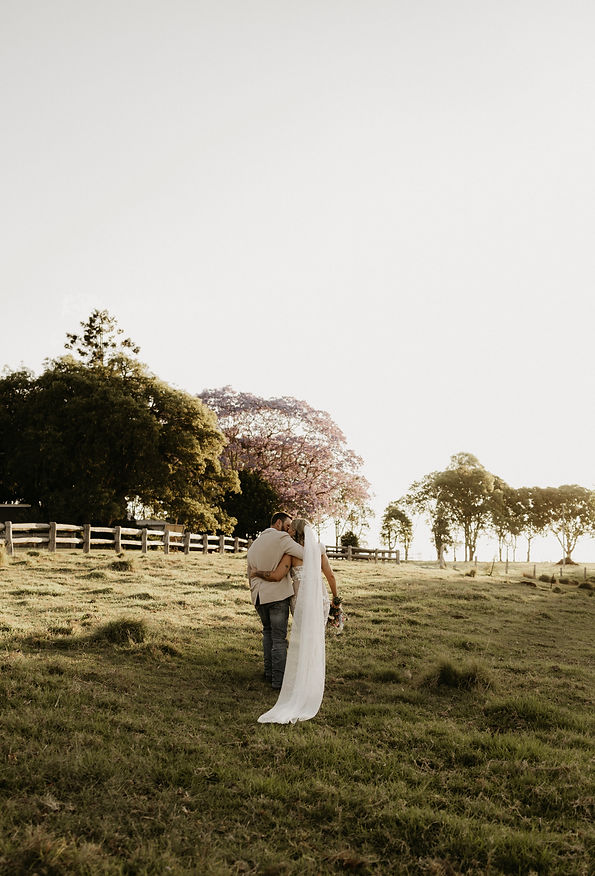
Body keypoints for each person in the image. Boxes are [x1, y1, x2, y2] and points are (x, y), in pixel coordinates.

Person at [250, 518, 339, 724]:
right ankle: (315, 680)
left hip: (299, 602)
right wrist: (336, 599)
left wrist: (257, 573)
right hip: (320, 599)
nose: (288, 530)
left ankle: (300, 680)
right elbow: (331, 576)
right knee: (316, 639)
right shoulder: (319, 550)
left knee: (303, 640)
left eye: (291, 528)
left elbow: (277, 575)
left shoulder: (291, 553)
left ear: (295, 532)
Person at [246, 511, 304, 690]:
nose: (289, 531)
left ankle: (269, 673)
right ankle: (278, 682)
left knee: (267, 634)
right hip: (277, 596)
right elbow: (304, 553)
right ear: (278, 523)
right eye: (287, 526)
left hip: (258, 596)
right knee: (279, 639)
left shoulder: (255, 543)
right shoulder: (282, 539)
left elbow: (249, 572)